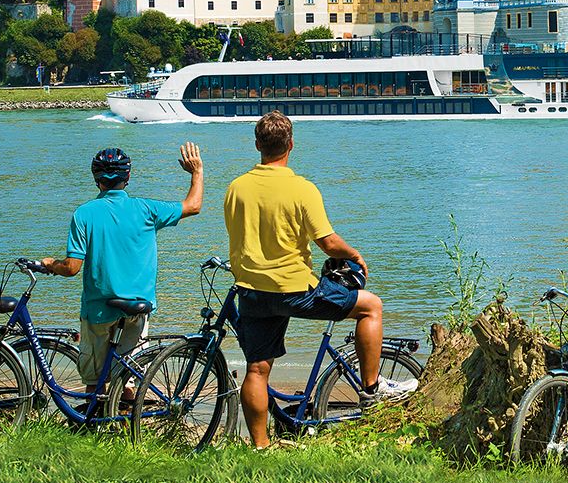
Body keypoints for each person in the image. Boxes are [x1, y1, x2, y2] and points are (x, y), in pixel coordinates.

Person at [223, 111, 416, 448]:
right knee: (371, 306)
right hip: (294, 288)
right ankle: (371, 390)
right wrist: (354, 255)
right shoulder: (302, 188)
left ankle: (260, 446)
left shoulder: (236, 188)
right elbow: (327, 242)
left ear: (257, 145)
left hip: (251, 291)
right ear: (291, 145)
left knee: (256, 369)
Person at [36, 143, 205, 389]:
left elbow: (71, 267)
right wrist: (197, 171)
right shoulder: (147, 209)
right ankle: (126, 419)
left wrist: (51, 265)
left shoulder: (84, 214)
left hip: (99, 309)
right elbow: (193, 205)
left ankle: (95, 423)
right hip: (137, 306)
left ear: (96, 178)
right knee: (128, 380)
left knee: (95, 381)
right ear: (127, 176)